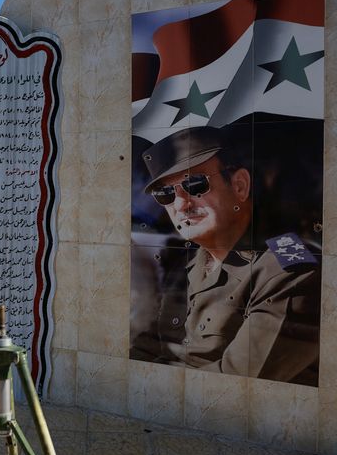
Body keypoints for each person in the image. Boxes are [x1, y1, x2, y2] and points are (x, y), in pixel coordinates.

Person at [130, 126, 320, 386]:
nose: (180, 204)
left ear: (240, 185)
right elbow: (148, 345)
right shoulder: (187, 261)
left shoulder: (289, 270)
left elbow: (237, 384)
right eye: (166, 194)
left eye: (195, 184)